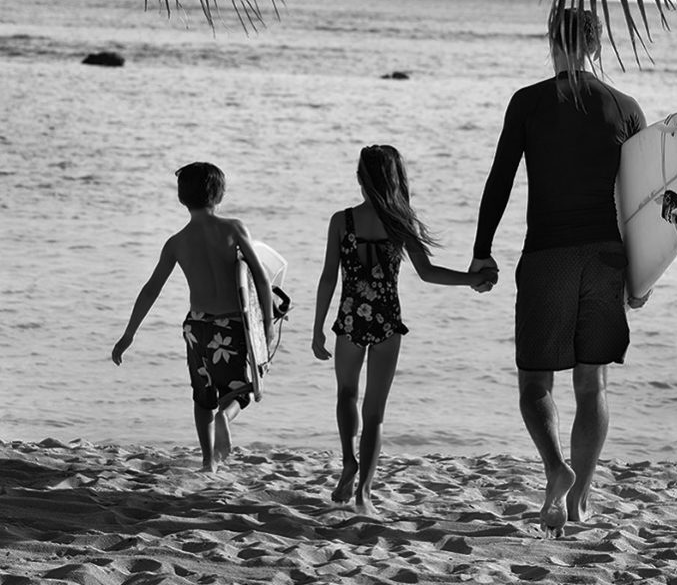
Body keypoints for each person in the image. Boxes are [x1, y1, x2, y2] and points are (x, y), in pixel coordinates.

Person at [470, 9, 647, 537]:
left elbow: (500, 178)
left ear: (552, 41)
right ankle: (581, 500)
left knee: (534, 383)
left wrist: (482, 251)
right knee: (592, 383)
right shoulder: (626, 108)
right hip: (607, 258)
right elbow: (644, 202)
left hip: (548, 254)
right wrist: (643, 275)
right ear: (597, 45)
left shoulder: (528, 102)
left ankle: (555, 468)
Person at [313, 144, 494, 516]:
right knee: (375, 412)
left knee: (347, 393)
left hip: (350, 317)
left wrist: (317, 329)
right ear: (396, 180)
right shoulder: (400, 223)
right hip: (387, 320)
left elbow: (328, 277)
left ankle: (349, 460)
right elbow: (428, 274)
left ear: (361, 179)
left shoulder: (341, 220)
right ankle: (364, 492)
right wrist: (472, 279)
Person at [111, 162, 274, 472]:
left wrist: (128, 335)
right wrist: (266, 326)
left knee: (203, 396)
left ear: (181, 198)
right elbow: (261, 279)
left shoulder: (176, 242)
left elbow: (151, 290)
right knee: (240, 391)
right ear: (220, 194)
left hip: (196, 327)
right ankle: (225, 419)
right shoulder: (235, 228)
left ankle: (208, 462)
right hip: (232, 325)